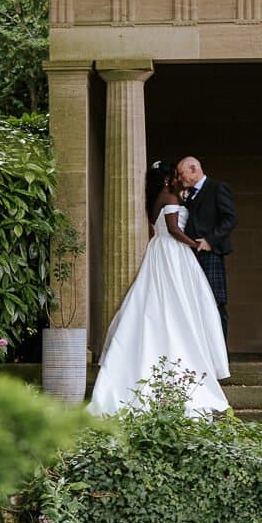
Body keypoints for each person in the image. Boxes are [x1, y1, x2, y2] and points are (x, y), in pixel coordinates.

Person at [88, 161, 230, 417]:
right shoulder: (170, 195)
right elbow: (174, 229)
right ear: (167, 178)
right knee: (176, 302)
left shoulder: (159, 197)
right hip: (172, 252)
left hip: (160, 250)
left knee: (158, 301)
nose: (178, 177)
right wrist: (194, 244)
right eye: (174, 174)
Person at [176, 156, 237, 341]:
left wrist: (210, 240)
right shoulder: (189, 193)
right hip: (192, 255)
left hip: (210, 254)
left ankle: (221, 353)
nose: (179, 178)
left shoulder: (217, 188)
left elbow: (230, 219)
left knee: (215, 302)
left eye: (181, 174)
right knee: (196, 303)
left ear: (194, 169)